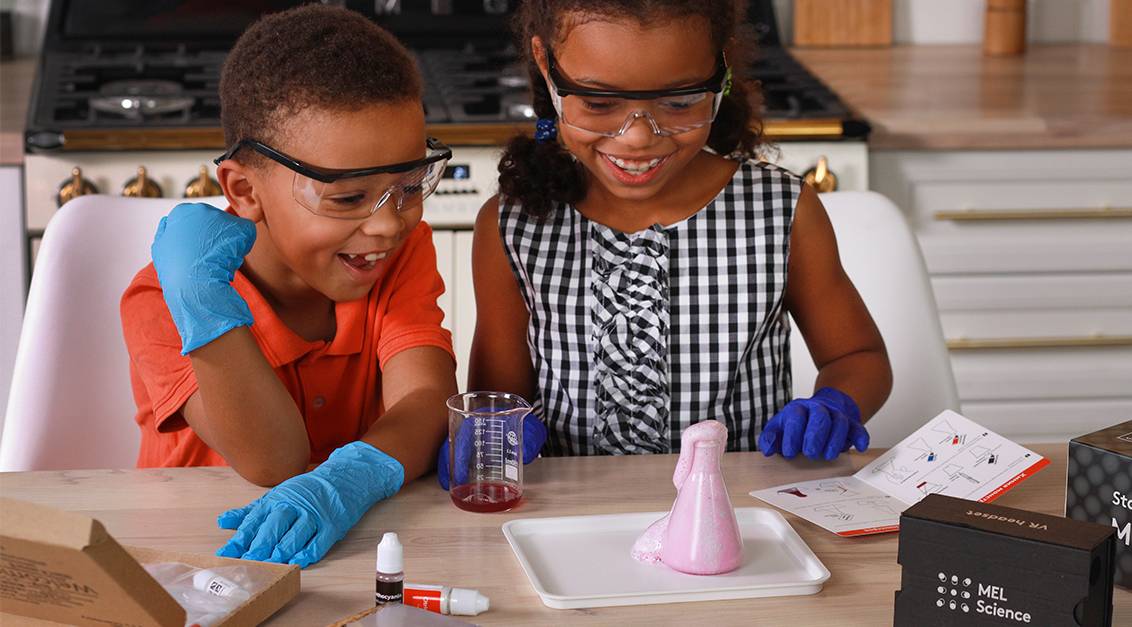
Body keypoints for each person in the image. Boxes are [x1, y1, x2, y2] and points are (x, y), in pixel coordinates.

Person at [467, 0, 893, 460]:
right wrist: (493, 433)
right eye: (598, 102)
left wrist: (835, 404)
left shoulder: (784, 211)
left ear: (720, 68)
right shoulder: (511, 226)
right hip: (566, 517)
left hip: (737, 509)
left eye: (678, 101)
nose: (637, 137)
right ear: (548, 69)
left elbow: (856, 357)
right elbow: (495, 402)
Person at [120, 4, 463, 568]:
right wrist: (202, 300)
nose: (387, 222)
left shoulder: (396, 254)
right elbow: (274, 462)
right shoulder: (164, 300)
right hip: (199, 560)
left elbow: (427, 402)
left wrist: (354, 477)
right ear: (245, 191)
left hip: (367, 548)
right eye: (348, 197)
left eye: (408, 185)